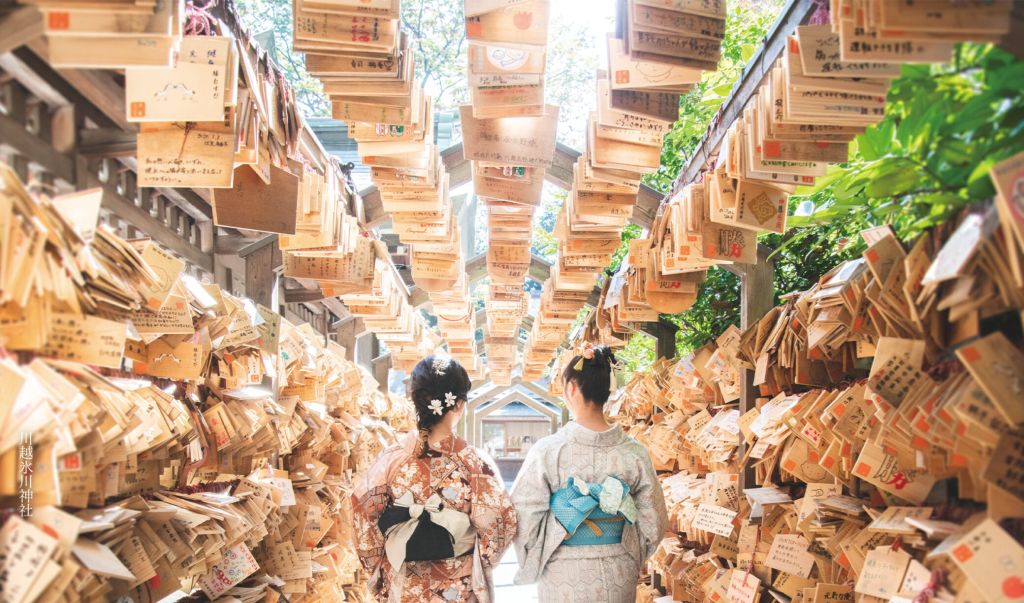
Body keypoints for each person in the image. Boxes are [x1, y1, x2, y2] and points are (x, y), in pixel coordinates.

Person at [352, 355, 517, 603]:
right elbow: (500, 525)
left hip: (404, 585)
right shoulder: (476, 464)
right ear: (459, 404)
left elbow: (361, 512)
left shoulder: (391, 459)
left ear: (416, 400)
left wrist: (379, 565)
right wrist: (478, 565)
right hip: (457, 587)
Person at [510, 344, 668, 603]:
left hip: (562, 572)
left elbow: (523, 517)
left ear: (571, 388)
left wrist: (537, 556)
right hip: (619, 571)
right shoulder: (634, 452)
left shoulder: (549, 451)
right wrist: (632, 554)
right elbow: (655, 521)